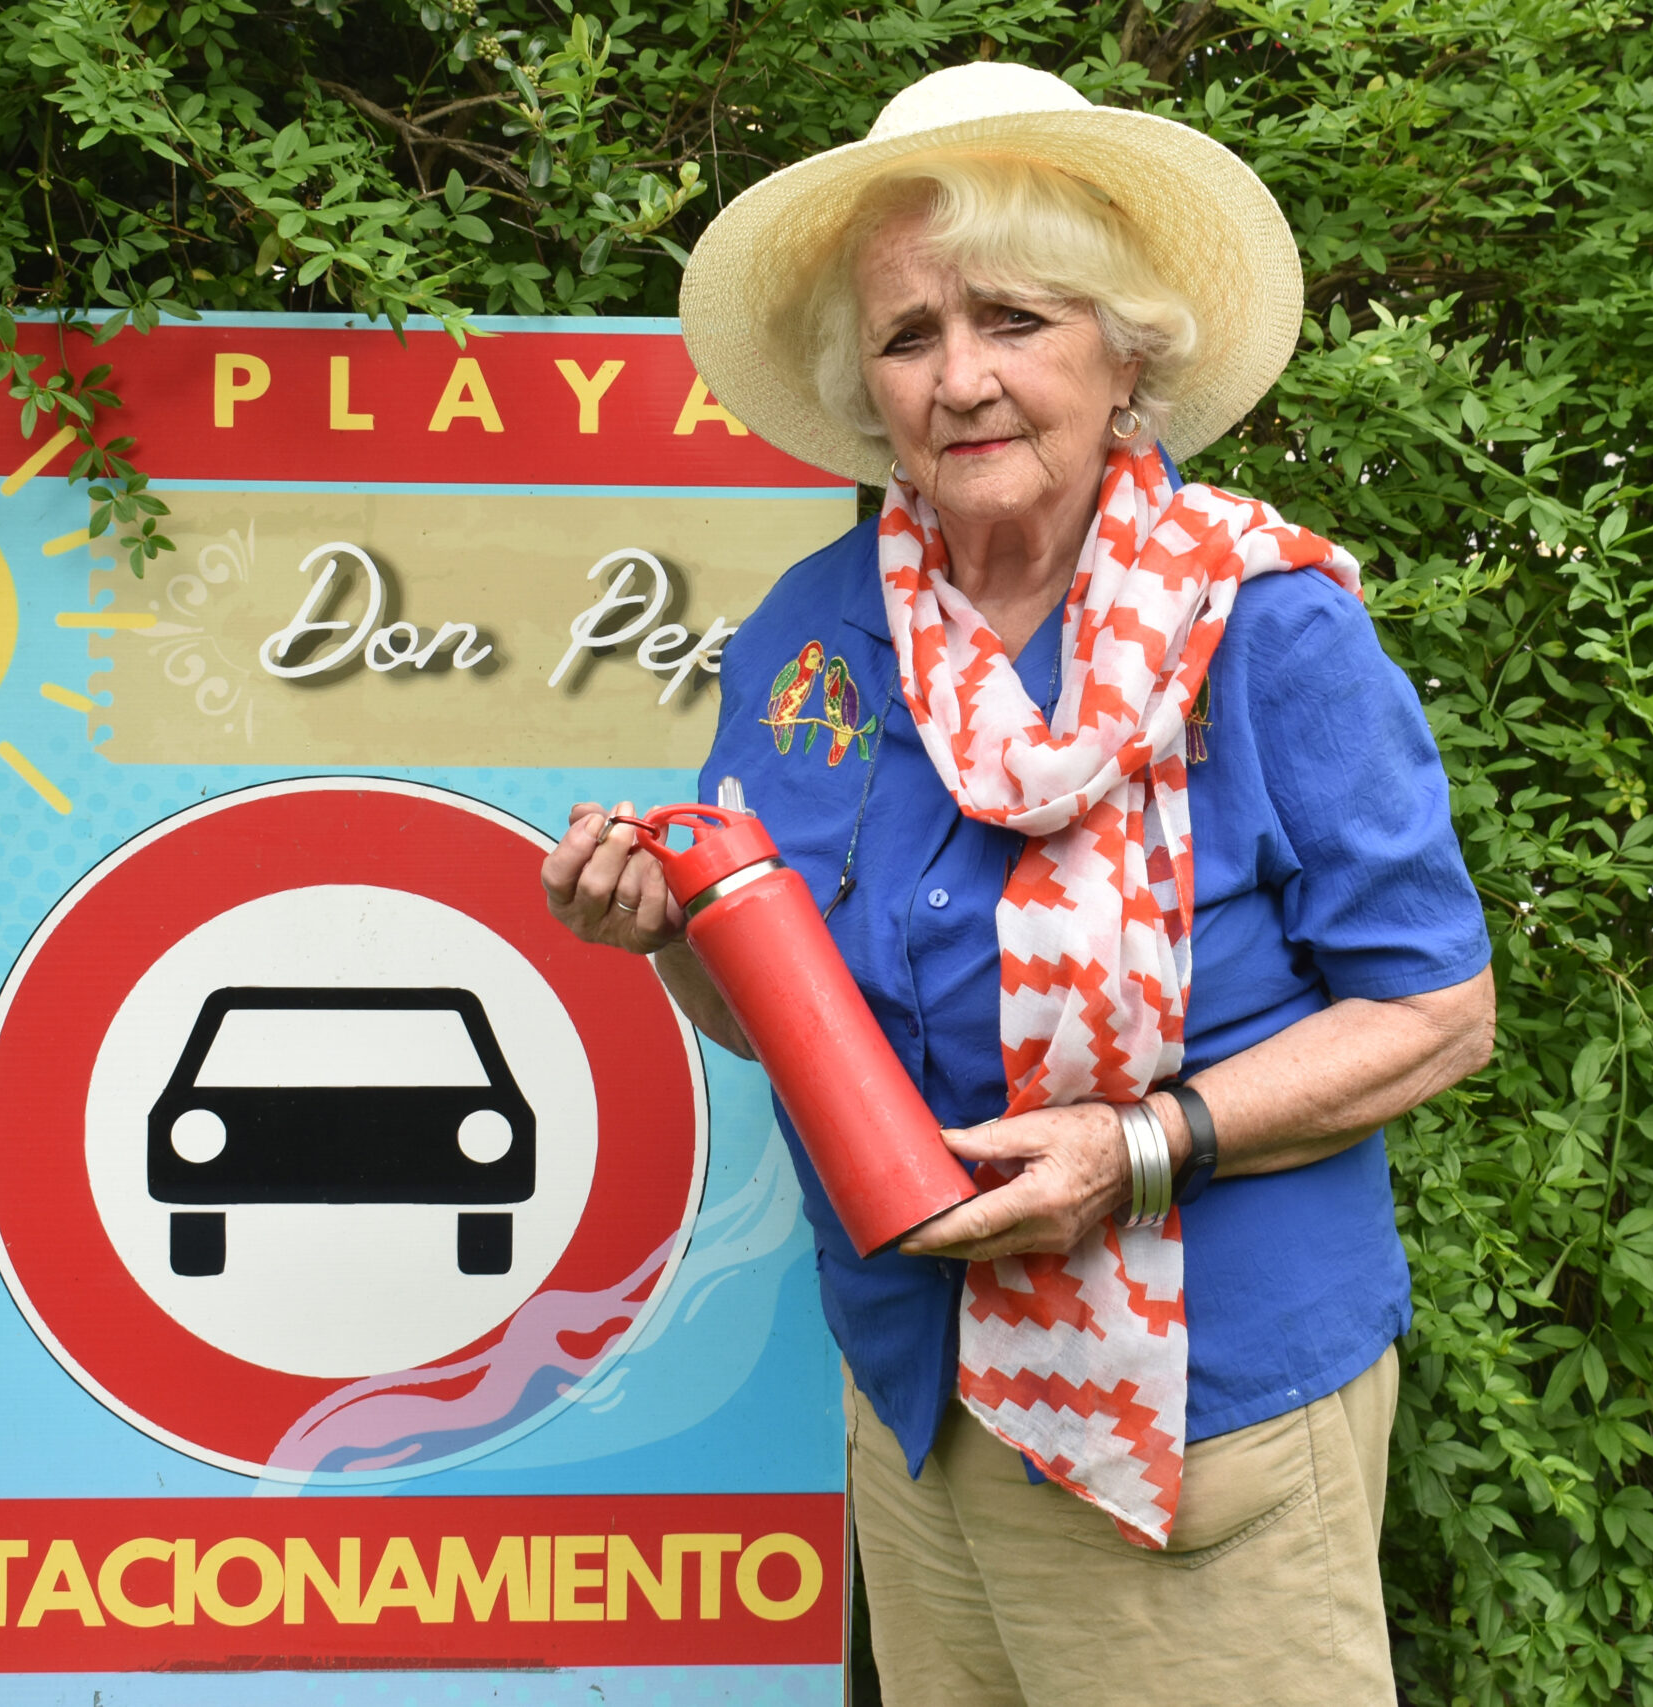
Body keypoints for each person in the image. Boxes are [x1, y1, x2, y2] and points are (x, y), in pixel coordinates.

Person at [540, 61, 1493, 1706]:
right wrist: (662, 936)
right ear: (866, 387)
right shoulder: (811, 636)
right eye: (910, 336)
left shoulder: (1267, 624)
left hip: (1199, 1408)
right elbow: (781, 1018)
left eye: (1014, 320)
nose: (962, 378)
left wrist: (1139, 1148)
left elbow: (1437, 1013)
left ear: (1125, 354)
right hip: (916, 1398)